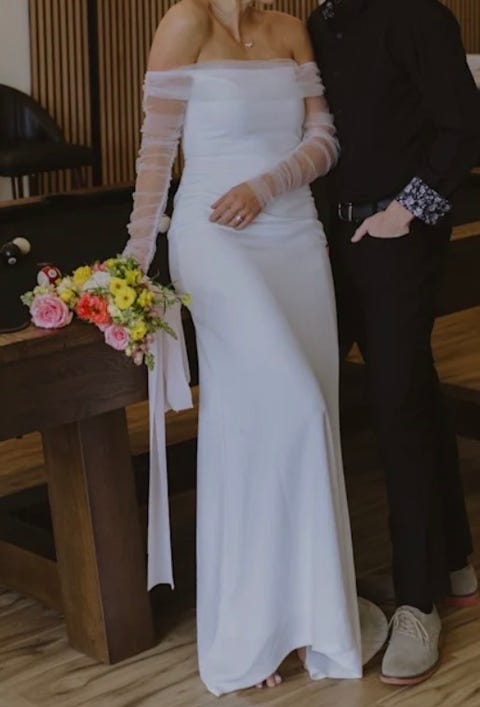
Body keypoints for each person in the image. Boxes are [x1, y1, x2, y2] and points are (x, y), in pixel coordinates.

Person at [122, 0, 387, 696]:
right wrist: (134, 264)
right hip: (216, 239)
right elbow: (157, 151)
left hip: (294, 236)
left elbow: (324, 138)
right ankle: (251, 624)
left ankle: (304, 617)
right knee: (296, 409)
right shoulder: (185, 24)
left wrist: (268, 184)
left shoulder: (291, 29)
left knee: (273, 421)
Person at [308, 0, 480, 687]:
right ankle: (454, 558)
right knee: (410, 391)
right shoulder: (316, 23)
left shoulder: (418, 15)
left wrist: (404, 213)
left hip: (400, 238)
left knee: (395, 403)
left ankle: (418, 601)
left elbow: (464, 127)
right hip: (328, 240)